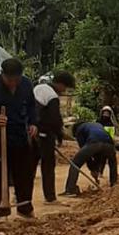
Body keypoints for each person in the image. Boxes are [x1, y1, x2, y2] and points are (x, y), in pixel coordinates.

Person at [0, 57, 38, 218]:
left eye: (16, 79)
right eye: (10, 80)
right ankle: (1, 212)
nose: (13, 83)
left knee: (24, 174)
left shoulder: (26, 85)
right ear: (2, 74)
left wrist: (33, 123)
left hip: (20, 137)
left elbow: (32, 107)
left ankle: (24, 207)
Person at [32, 70, 76, 203]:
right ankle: (50, 198)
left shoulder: (37, 87)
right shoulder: (52, 96)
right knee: (48, 167)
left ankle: (20, 195)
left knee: (29, 166)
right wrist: (59, 136)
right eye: (65, 87)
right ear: (61, 84)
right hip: (44, 135)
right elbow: (55, 119)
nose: (64, 91)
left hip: (30, 131)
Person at [62, 120, 118, 197]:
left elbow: (86, 156)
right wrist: (95, 169)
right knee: (113, 162)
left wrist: (92, 169)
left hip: (94, 143)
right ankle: (114, 185)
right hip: (109, 144)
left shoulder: (79, 130)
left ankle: (70, 190)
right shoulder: (97, 125)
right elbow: (98, 155)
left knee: (75, 163)